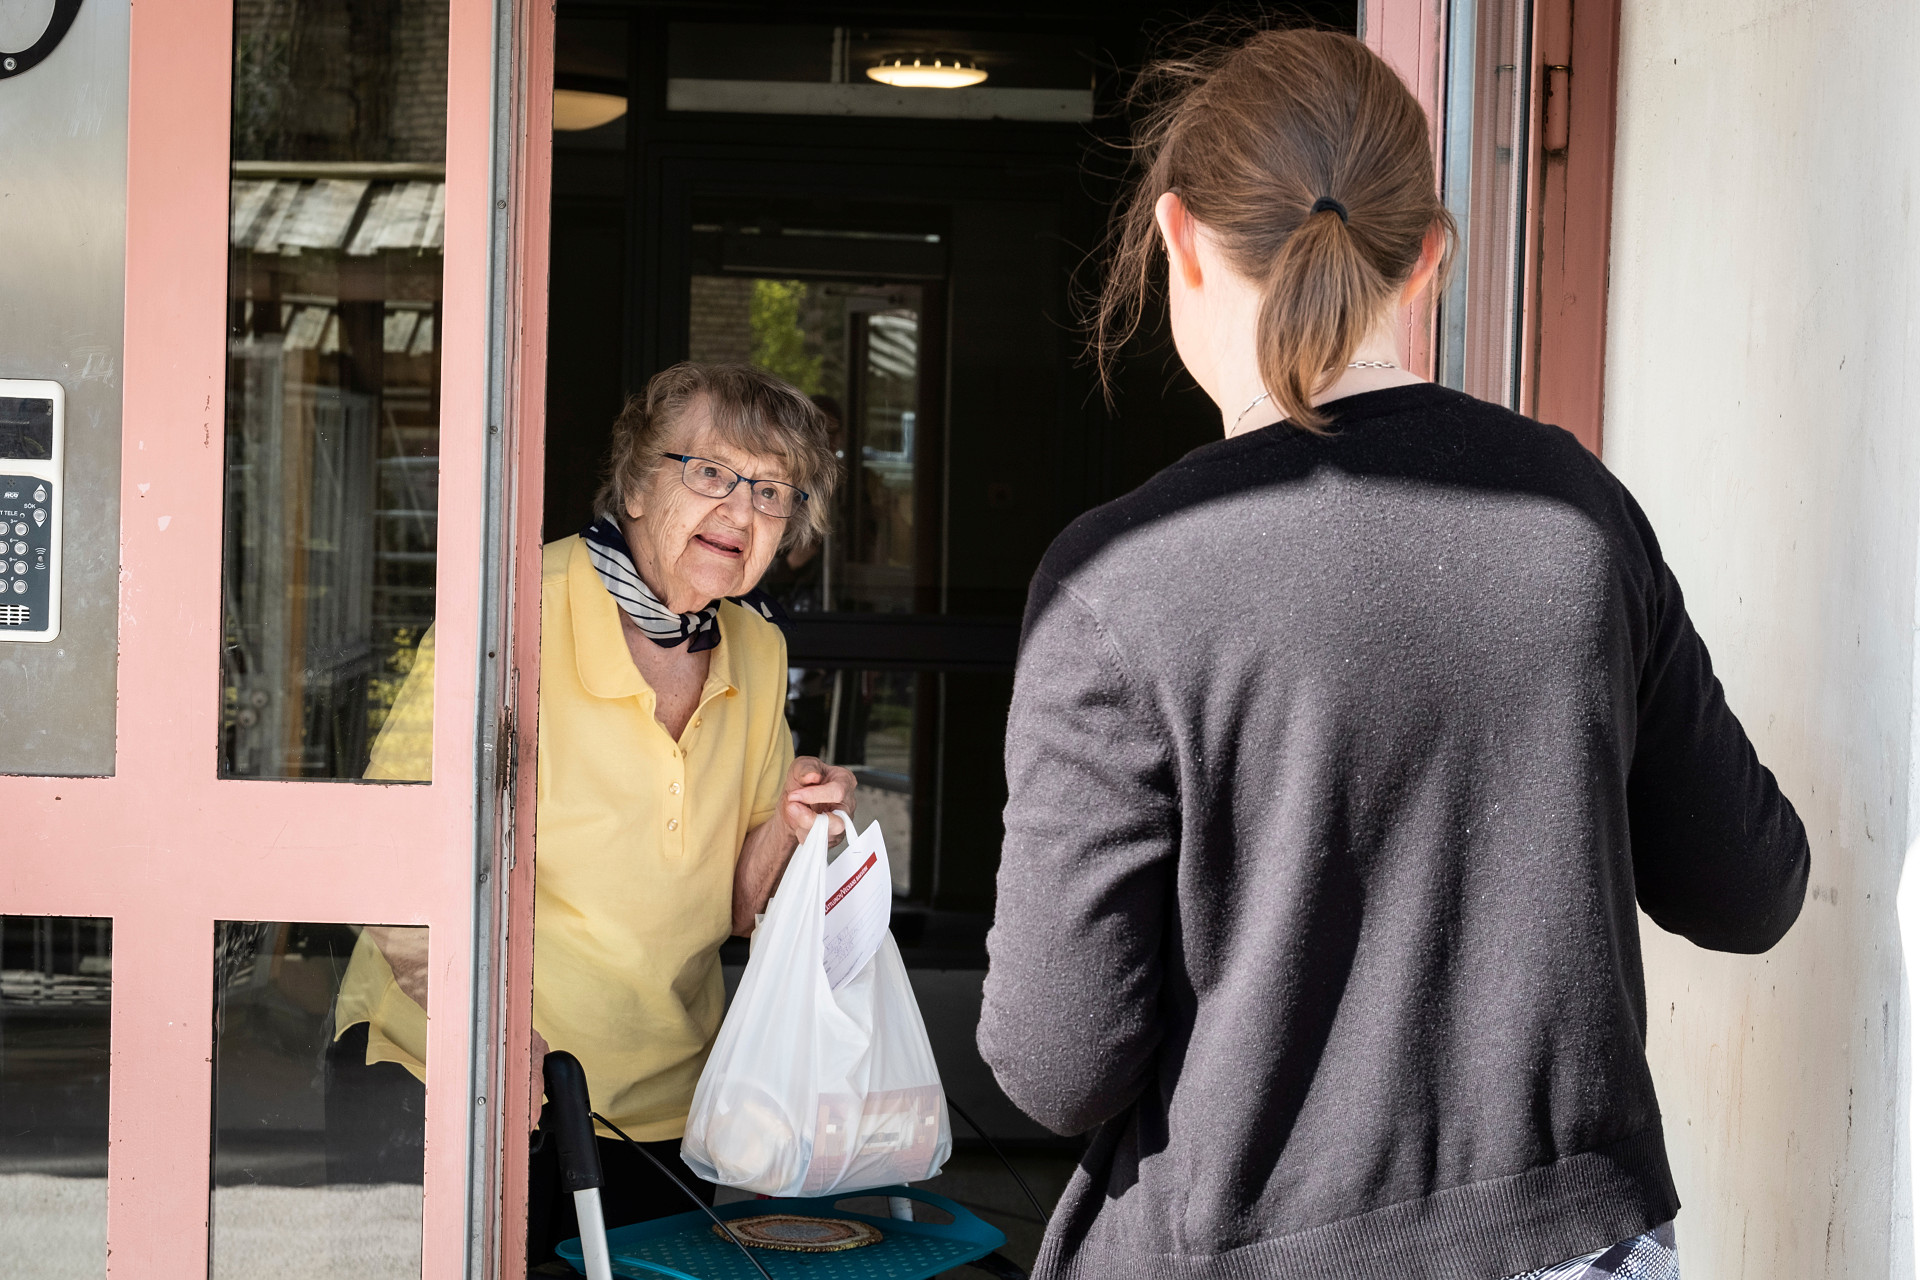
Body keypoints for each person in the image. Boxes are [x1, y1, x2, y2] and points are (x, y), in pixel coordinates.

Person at [977, 27, 1807, 1280]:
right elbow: (1750, 886)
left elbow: (1056, 1062)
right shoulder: (1572, 514)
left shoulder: (1120, 579)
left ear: (1179, 238)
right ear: (1427, 257)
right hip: (1566, 1245)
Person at [332, 361, 856, 1267]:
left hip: (659, 1103)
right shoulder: (514, 614)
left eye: (772, 491)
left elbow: (733, 906)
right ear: (639, 484)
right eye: (710, 473)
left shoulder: (758, 648)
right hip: (452, 1077)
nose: (740, 510)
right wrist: (496, 1033)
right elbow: (384, 858)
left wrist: (789, 828)